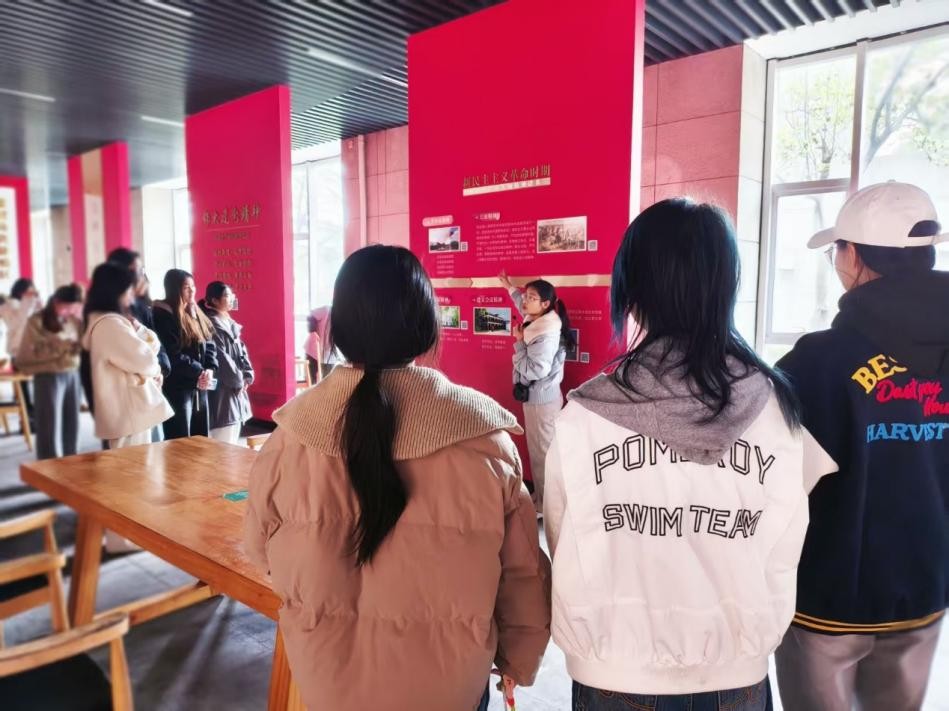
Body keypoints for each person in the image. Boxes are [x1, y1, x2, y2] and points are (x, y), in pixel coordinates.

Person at [544, 198, 837, 711]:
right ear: (726, 286)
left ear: (632, 289)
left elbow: (562, 537)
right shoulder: (777, 411)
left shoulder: (583, 417)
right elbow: (785, 545)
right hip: (737, 676)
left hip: (614, 673)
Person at [244, 245, 551, 711]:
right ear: (426, 325)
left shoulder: (290, 437)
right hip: (451, 688)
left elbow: (258, 549)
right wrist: (517, 660)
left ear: (339, 328)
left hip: (329, 683)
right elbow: (522, 574)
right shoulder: (485, 441)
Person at [773, 182, 948, 711]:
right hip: (925, 588)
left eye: (836, 250)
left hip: (829, 600)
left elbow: (778, 485)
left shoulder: (818, 363)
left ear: (851, 256)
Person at [498, 272, 573, 513]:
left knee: (542, 454)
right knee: (541, 451)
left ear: (545, 304)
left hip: (541, 403)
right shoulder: (538, 320)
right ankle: (543, 496)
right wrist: (510, 287)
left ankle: (546, 504)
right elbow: (521, 306)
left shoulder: (544, 333)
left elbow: (535, 370)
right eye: (526, 296)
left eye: (531, 298)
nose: (525, 301)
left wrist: (519, 343)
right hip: (540, 399)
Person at [82, 263, 172, 449]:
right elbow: (146, 361)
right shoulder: (110, 324)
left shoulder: (113, 321)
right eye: (128, 290)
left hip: (130, 409)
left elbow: (153, 345)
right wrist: (155, 368)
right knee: (135, 463)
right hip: (129, 412)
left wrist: (138, 329)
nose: (132, 296)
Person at [15, 284, 84, 460]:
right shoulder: (37, 321)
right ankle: (49, 465)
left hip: (72, 374)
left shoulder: (73, 320)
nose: (70, 311)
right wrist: (63, 345)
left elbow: (81, 344)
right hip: (48, 376)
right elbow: (30, 352)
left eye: (73, 308)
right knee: (49, 425)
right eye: (67, 307)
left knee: (72, 424)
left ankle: (71, 461)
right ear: (56, 302)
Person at [153, 269, 218, 440]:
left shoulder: (194, 311)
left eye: (193, 286)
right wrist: (199, 371)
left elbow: (209, 342)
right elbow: (172, 353)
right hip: (178, 387)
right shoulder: (163, 314)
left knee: (200, 437)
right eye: (186, 287)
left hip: (200, 384)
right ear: (174, 289)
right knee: (180, 437)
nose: (192, 291)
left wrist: (209, 369)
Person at [200, 281, 254, 444]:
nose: (232, 298)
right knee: (224, 439)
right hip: (223, 389)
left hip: (235, 388)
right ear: (215, 300)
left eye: (232, 295)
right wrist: (239, 381)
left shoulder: (229, 322)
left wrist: (247, 374)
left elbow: (241, 350)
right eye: (227, 295)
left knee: (232, 436)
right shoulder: (212, 323)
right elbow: (222, 358)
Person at [0, 277, 41, 362]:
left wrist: (38, 308)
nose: (32, 296)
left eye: (33, 293)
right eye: (29, 293)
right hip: (18, 349)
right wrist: (27, 303)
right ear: (20, 292)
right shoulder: (8, 305)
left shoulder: (30, 306)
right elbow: (16, 324)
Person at [303, 305, 338, 383]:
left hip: (330, 357)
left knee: (328, 383)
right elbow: (311, 315)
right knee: (312, 382)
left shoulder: (345, 319)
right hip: (313, 352)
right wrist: (313, 331)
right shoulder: (326, 310)